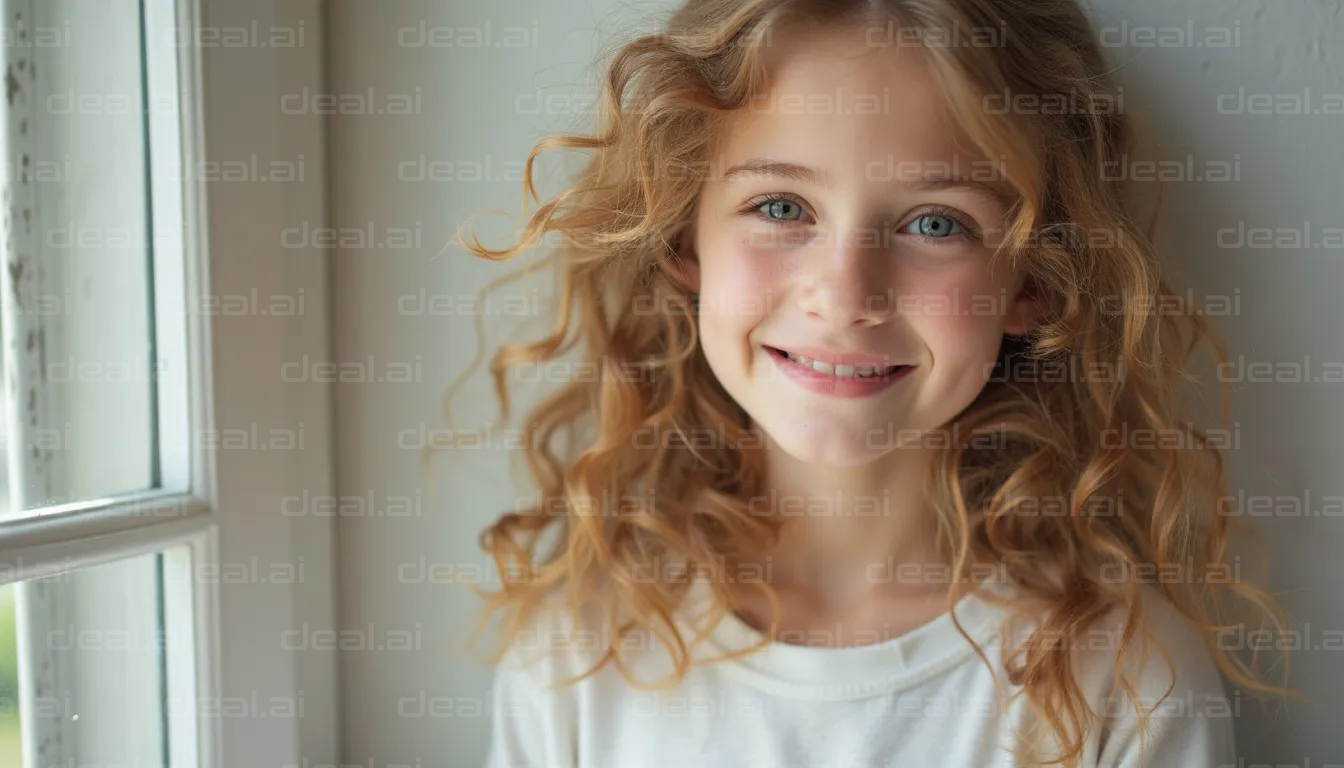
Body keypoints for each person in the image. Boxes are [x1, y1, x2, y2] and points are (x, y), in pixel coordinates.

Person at [446, 0, 1295, 765]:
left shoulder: (1124, 677)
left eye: (936, 222)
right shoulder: (579, 656)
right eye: (782, 207)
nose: (847, 297)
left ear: (1036, 280)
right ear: (684, 240)